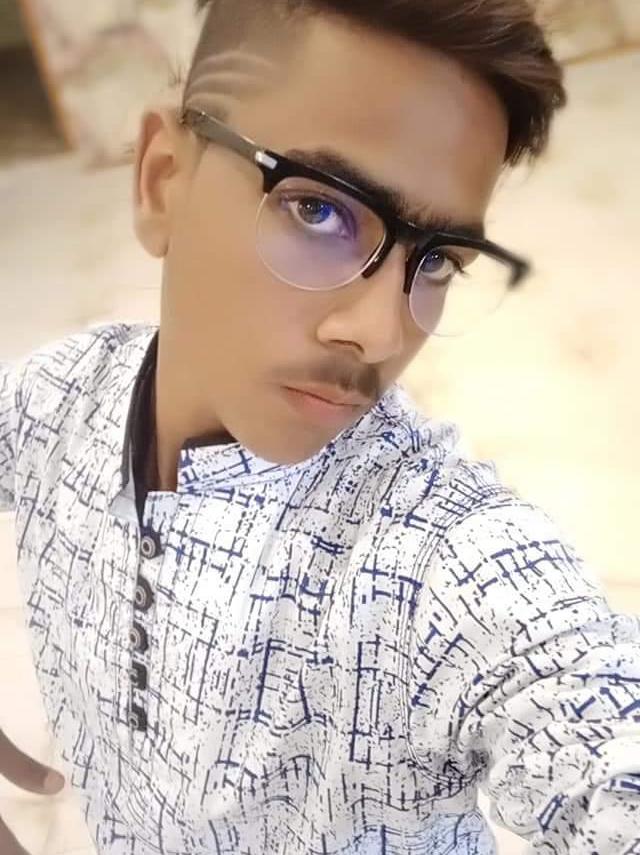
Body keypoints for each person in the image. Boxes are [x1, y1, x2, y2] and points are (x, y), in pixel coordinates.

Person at [1, 0, 639, 852]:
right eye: (320, 211)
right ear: (162, 178)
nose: (381, 332)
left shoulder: (435, 566)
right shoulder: (60, 392)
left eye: (436, 259)